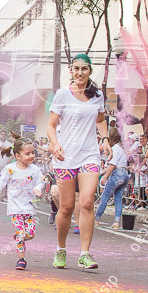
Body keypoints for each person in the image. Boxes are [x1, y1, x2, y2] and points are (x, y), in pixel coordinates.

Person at [47, 54, 110, 270]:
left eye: (84, 68)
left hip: (89, 155)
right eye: (76, 69)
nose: (80, 72)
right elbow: (51, 125)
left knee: (87, 202)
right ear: (71, 71)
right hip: (66, 157)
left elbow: (100, 120)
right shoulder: (63, 95)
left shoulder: (97, 95)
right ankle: (61, 249)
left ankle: (85, 253)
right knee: (66, 206)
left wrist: (106, 139)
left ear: (90, 71)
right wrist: (55, 145)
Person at [0, 135, 45, 271]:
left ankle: (18, 237)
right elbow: (2, 181)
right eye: (27, 154)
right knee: (21, 233)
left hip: (30, 208)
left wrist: (38, 189)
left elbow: (41, 181)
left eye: (33, 153)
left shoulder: (35, 170)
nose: (31, 156)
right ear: (17, 156)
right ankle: (21, 259)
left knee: (30, 233)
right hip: (15, 208)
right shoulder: (10, 169)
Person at [95, 128, 129, 229]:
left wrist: (105, 177)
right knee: (118, 198)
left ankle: (96, 219)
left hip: (117, 173)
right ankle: (117, 222)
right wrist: (104, 171)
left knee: (104, 197)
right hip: (124, 173)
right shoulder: (122, 148)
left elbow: (113, 165)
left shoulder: (115, 149)